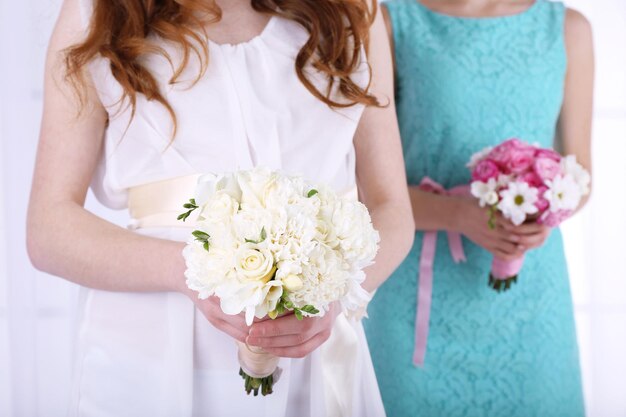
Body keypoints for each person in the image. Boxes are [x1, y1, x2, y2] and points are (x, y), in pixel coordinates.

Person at [26, 0, 414, 415]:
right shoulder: (99, 12)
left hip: (309, 347)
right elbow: (49, 228)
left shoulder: (353, 13)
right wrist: (190, 273)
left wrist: (334, 297)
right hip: (152, 354)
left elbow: (392, 209)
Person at [364, 0, 593, 415]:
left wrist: (542, 212)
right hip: (416, 297)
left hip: (532, 299)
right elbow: (367, 186)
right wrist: (459, 214)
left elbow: (580, 175)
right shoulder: (390, 20)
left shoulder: (568, 29)